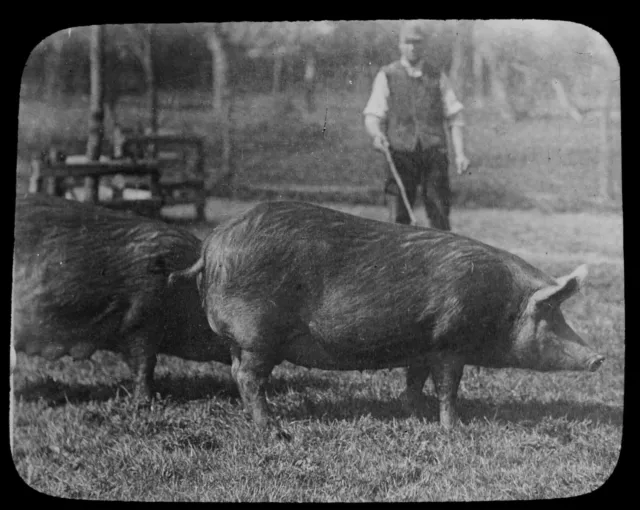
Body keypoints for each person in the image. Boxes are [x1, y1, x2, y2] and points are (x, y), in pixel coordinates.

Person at [363, 20, 469, 229]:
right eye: (408, 42)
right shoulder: (388, 75)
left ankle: (441, 260)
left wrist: (460, 153)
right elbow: (373, 115)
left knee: (439, 213)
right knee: (399, 217)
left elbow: (455, 116)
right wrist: (376, 135)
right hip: (400, 153)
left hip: (433, 153)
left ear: (424, 45)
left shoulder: (436, 75)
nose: (413, 47)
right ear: (400, 45)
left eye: (417, 42)